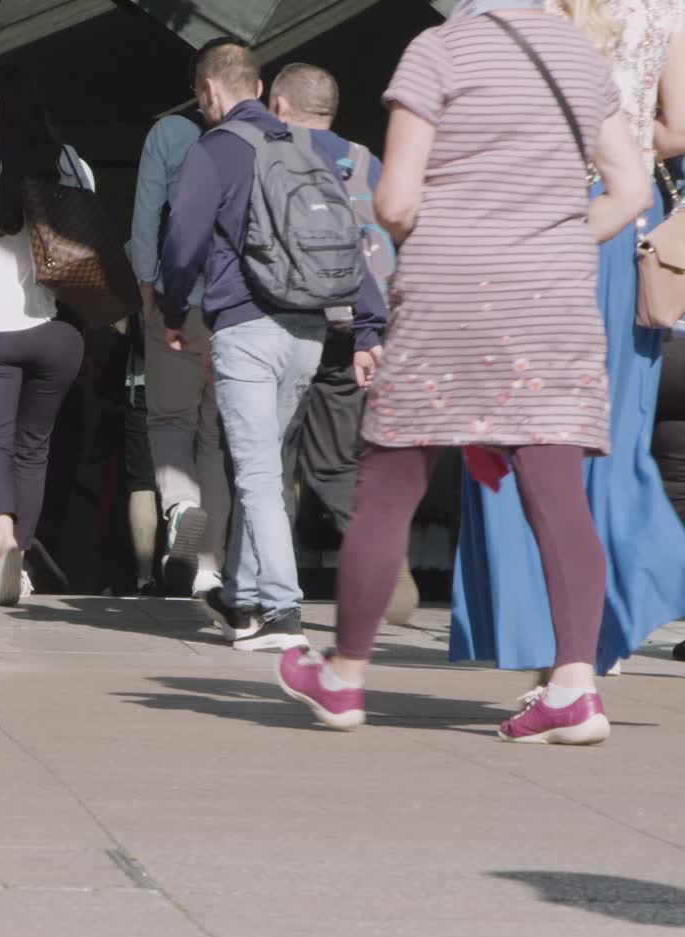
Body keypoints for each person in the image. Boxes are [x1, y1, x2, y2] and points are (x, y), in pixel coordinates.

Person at [278, 0, 650, 742]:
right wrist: (561, 242)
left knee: (390, 482)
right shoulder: (583, 61)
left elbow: (395, 199)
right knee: (558, 489)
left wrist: (452, 228)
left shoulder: (439, 51)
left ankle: (345, 676)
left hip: (453, 292)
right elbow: (632, 191)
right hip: (553, 303)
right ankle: (576, 687)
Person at [452, 0, 685, 679]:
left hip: (533, 211)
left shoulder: (501, 10)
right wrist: (631, 134)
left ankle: (556, 648)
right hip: (627, 220)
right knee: (607, 439)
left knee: (518, 434)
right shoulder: (665, 7)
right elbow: (680, 125)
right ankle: (595, 634)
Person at [161, 38, 386, 652]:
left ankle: (284, 613)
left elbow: (183, 242)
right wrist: (368, 326)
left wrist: (172, 311)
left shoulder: (217, 149)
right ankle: (242, 600)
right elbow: (349, 241)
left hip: (247, 328)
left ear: (210, 93)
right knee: (258, 466)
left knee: (258, 470)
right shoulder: (304, 148)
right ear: (258, 89)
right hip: (309, 332)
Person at [270, 63, 418, 626]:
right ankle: (384, 558)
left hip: (292, 322)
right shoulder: (366, 160)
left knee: (273, 462)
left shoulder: (275, 154)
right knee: (335, 464)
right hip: (361, 329)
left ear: (281, 106)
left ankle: (269, 586)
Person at [0, 63, 89, 607]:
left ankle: (2, 544)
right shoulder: (70, 164)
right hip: (54, 333)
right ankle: (20, 560)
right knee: (33, 451)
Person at [131, 110, 231, 598]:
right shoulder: (254, 136)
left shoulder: (168, 132)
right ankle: (210, 567)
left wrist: (147, 285)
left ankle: (182, 506)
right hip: (234, 308)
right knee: (213, 436)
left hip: (180, 302)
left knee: (170, 421)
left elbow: (148, 210)